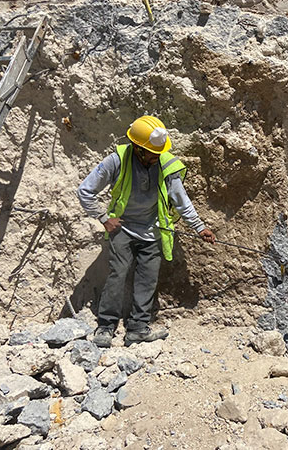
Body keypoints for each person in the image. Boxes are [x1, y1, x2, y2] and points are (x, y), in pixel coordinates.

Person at [77, 115, 215, 348]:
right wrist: (103, 218)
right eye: (152, 153)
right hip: (123, 229)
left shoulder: (166, 163)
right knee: (117, 274)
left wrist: (199, 227)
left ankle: (138, 329)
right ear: (138, 148)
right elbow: (85, 191)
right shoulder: (117, 160)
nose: (156, 157)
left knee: (147, 280)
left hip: (152, 232)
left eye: (159, 153)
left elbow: (182, 201)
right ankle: (106, 327)